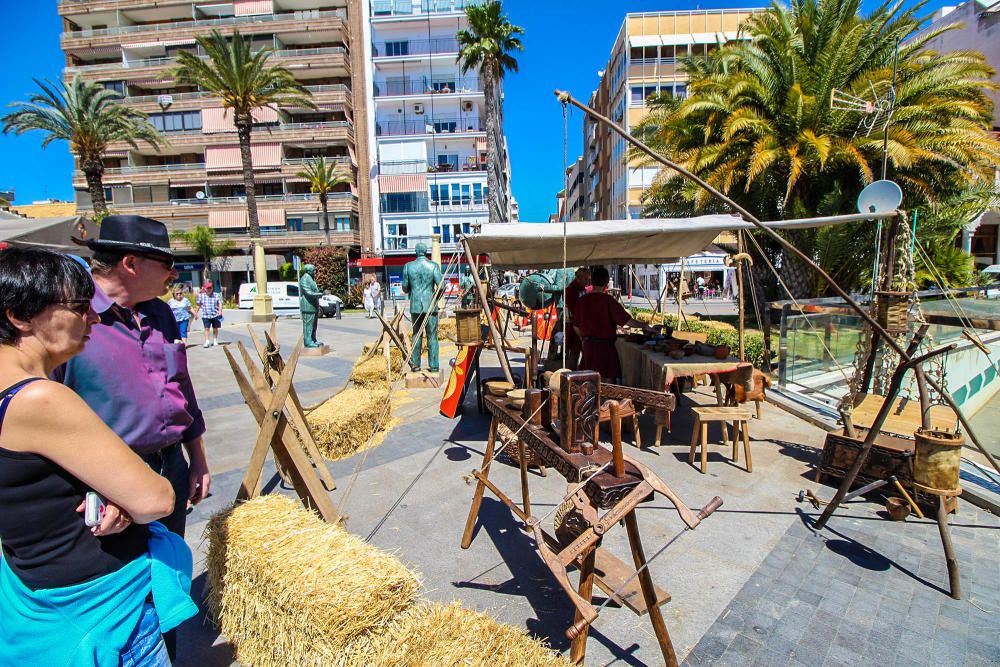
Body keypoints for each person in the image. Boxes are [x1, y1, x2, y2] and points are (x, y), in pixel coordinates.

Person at [0, 248, 197, 665]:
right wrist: (124, 495)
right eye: (78, 306)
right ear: (19, 315)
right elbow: (156, 499)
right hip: (103, 609)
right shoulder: (41, 398)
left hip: (39, 590)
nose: (92, 317)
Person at [59, 214, 211, 660]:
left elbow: (182, 390)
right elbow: (47, 408)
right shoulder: (71, 315)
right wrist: (93, 487)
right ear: (130, 262)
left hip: (170, 469)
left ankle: (169, 654)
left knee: (166, 579)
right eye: (164, 263)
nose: (172, 274)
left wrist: (196, 458)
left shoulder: (161, 313)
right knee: (121, 591)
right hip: (106, 481)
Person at [573, 266, 657, 381]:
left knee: (589, 383)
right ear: (607, 283)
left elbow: (576, 327)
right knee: (608, 384)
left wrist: (583, 339)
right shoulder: (609, 301)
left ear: (591, 281)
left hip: (589, 348)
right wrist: (644, 325)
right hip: (606, 349)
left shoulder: (582, 301)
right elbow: (627, 321)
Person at [402, 242, 443, 373]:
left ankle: (416, 365)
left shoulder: (408, 266)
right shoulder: (433, 266)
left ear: (416, 251)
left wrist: (413, 289)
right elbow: (441, 286)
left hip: (415, 306)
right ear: (426, 252)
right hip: (430, 305)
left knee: (416, 335)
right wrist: (435, 298)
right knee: (432, 336)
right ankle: (434, 365)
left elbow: (405, 287)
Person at [563, 267, 591, 370]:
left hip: (582, 325)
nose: (588, 282)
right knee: (574, 354)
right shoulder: (571, 290)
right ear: (578, 278)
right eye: (586, 279)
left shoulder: (582, 288)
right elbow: (575, 310)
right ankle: (571, 376)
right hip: (574, 326)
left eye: (588, 279)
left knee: (584, 353)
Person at [299, 264, 324, 349]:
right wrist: (319, 294)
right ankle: (308, 341)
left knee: (314, 325)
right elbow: (308, 292)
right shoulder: (304, 279)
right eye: (313, 270)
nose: (315, 272)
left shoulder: (311, 278)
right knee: (308, 324)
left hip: (313, 304)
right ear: (308, 271)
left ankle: (313, 339)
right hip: (307, 305)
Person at [196, 280, 222, 348]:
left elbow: (220, 303)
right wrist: (196, 313)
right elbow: (198, 305)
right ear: (204, 289)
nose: (209, 289)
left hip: (215, 314)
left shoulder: (216, 295)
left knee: (215, 328)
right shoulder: (201, 296)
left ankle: (215, 340)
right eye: (208, 288)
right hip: (206, 315)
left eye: (210, 288)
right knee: (206, 328)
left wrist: (220, 311)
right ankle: (207, 341)